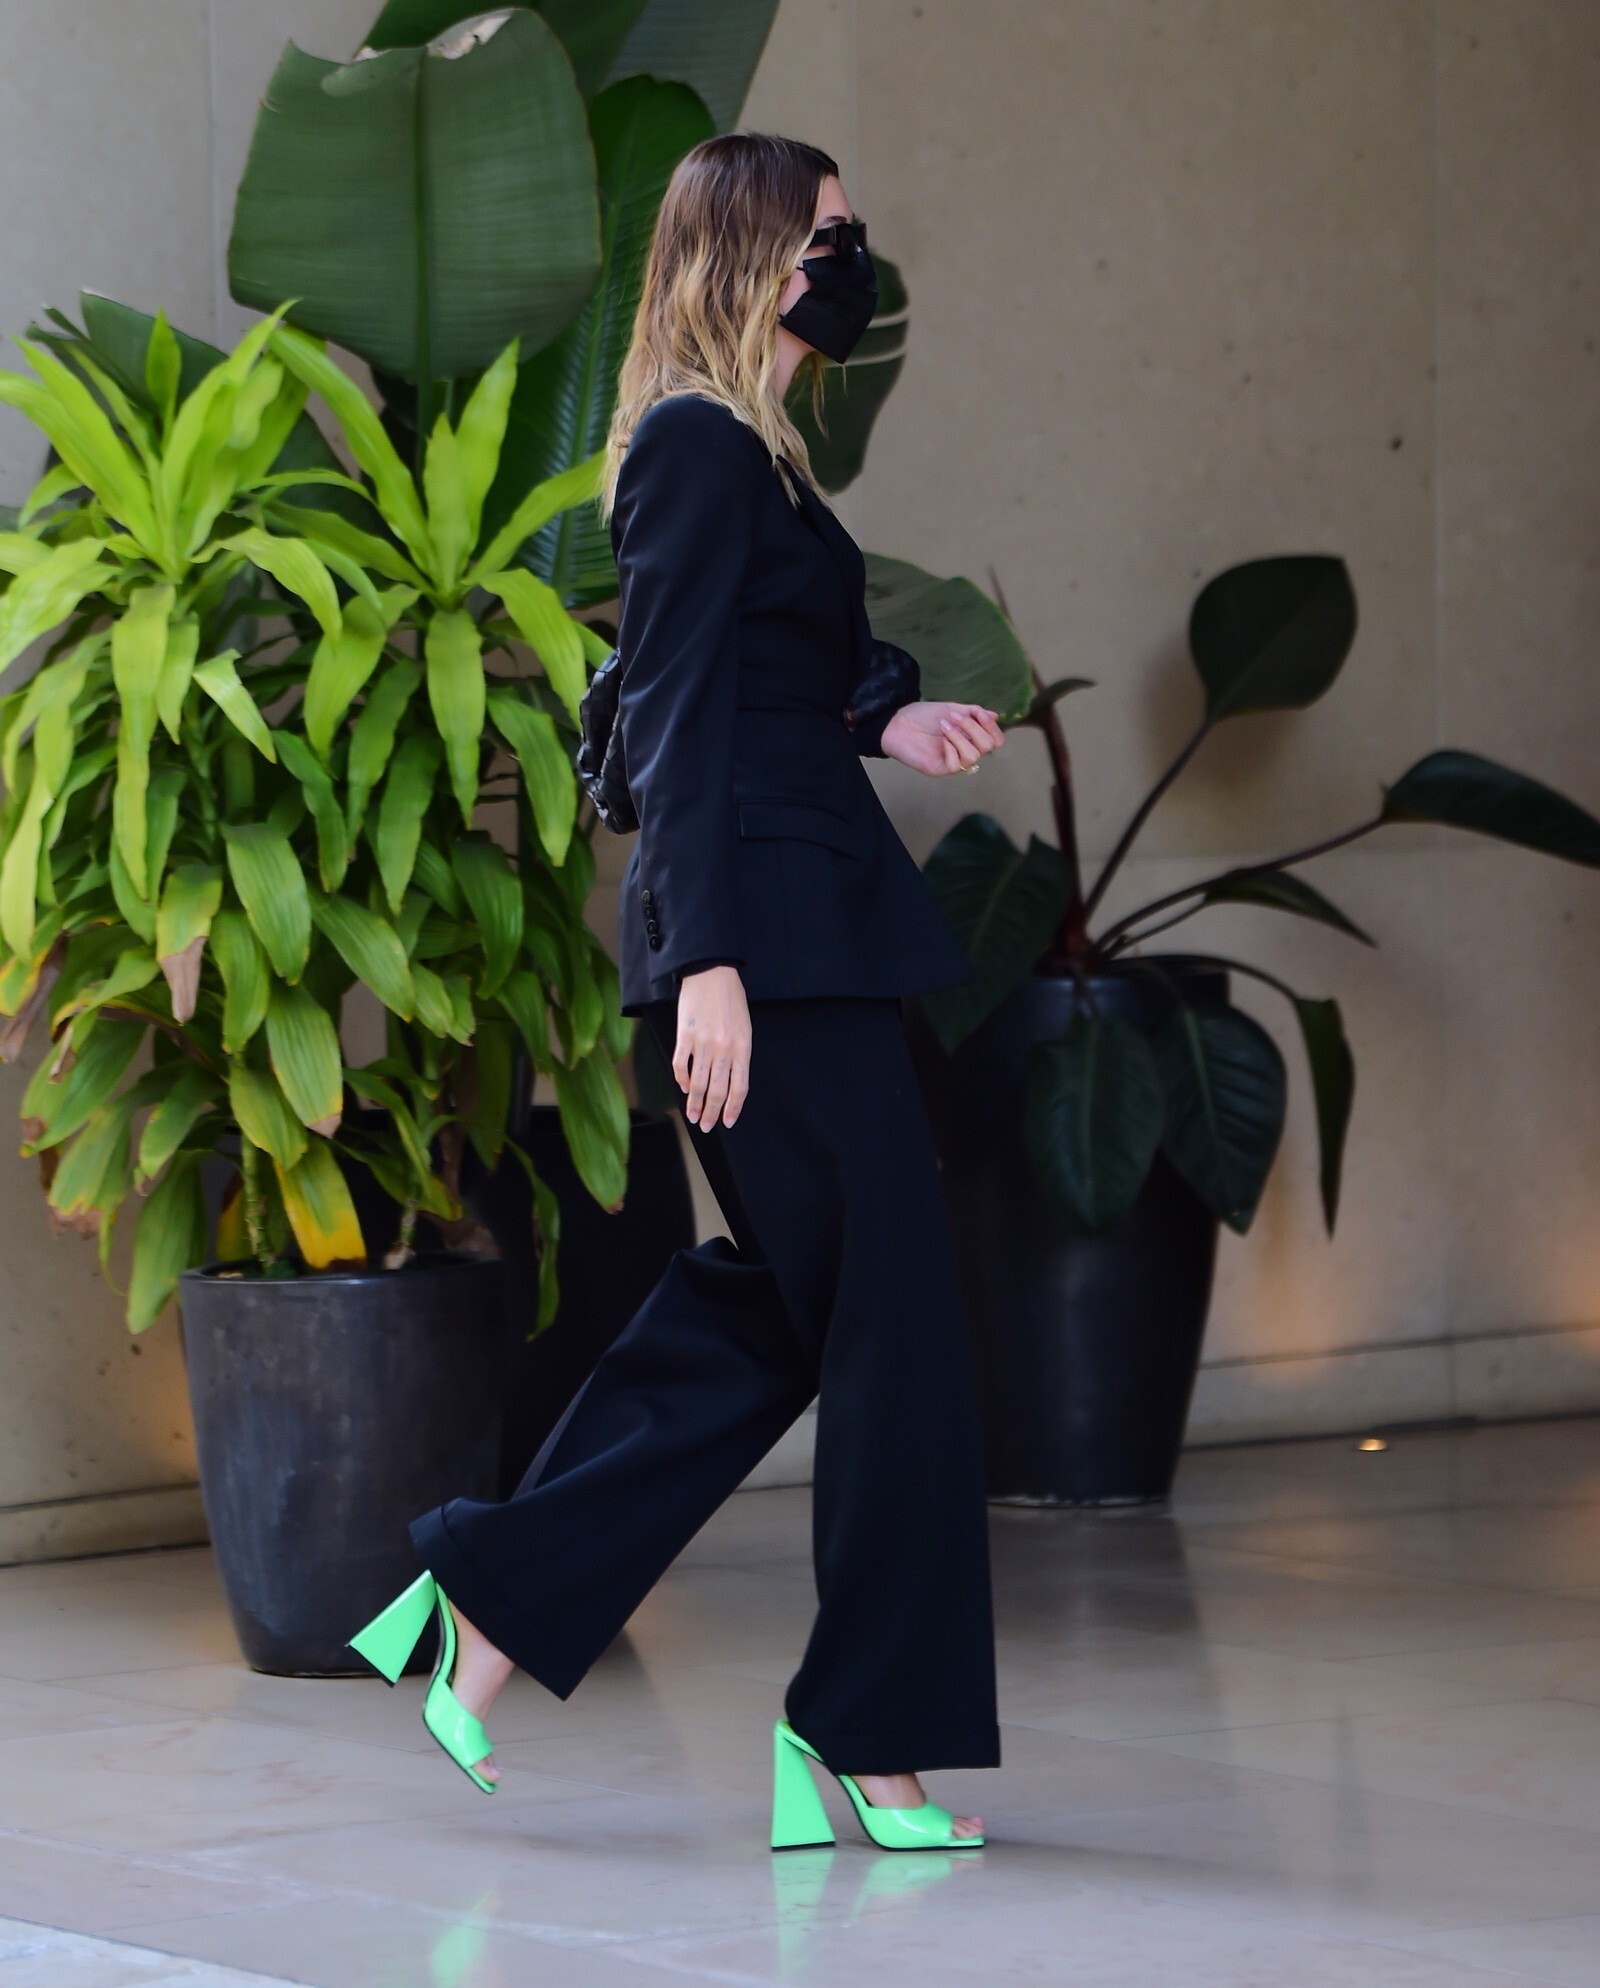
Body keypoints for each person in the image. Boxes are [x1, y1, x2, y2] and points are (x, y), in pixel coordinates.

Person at [347, 131, 1007, 1853]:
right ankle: (863, 1735)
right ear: (752, 254)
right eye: (830, 235)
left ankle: (483, 1607)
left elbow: (767, 675)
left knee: (779, 1313)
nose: (853, 260)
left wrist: (890, 714)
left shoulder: (755, 454)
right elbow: (680, 710)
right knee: (896, 1327)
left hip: (803, 931)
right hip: (764, 954)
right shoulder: (696, 449)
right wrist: (707, 961)